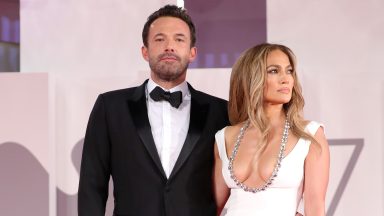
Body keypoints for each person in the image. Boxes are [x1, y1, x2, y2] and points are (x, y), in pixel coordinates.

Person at [78, 4, 229, 216]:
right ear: (145, 51)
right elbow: (92, 185)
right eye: (160, 39)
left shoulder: (221, 112)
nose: (169, 47)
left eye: (179, 39)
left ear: (192, 52)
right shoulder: (110, 107)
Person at [213, 43, 330, 216]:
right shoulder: (225, 137)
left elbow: (315, 207)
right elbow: (211, 207)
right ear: (251, 77)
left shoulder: (310, 134)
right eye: (274, 71)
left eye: (289, 71)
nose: (286, 79)